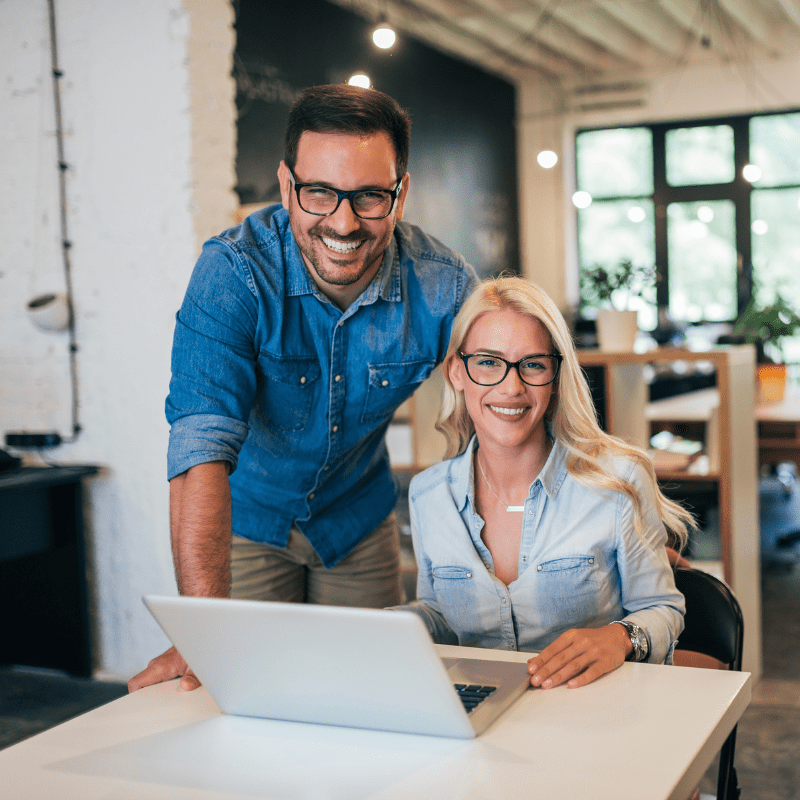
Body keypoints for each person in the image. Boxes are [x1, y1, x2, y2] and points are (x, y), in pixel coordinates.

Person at [128, 84, 477, 693]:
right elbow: (198, 448)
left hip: (357, 520)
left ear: (400, 193)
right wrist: (202, 631)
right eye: (319, 192)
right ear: (287, 185)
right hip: (246, 521)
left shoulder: (443, 286)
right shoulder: (233, 273)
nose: (343, 223)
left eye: (370, 196)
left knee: (373, 699)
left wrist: (621, 521)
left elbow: (520, 404)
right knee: (242, 699)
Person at [393, 275, 693, 689]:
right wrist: (385, 625)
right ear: (457, 373)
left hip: (593, 713)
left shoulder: (617, 481)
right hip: (482, 715)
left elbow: (662, 607)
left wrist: (619, 638)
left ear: (554, 377)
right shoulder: (429, 495)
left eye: (532, 365)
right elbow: (442, 617)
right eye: (488, 363)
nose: (511, 387)